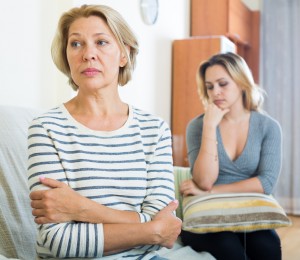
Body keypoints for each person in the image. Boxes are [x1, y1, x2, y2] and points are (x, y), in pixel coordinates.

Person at [27, 4, 181, 259]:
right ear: (66, 55)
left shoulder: (154, 130)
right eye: (76, 44)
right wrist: (149, 229)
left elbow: (165, 229)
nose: (88, 54)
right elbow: (57, 240)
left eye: (101, 42)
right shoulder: (46, 128)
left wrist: (82, 209)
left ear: (124, 54)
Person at [179, 52, 282, 260]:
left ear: (242, 82)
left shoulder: (268, 127)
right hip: (206, 216)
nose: (215, 92)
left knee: (268, 246)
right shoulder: (198, 126)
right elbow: (204, 181)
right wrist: (210, 126)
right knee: (230, 250)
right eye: (209, 86)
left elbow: (266, 182)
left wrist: (212, 192)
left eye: (222, 84)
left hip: (247, 211)